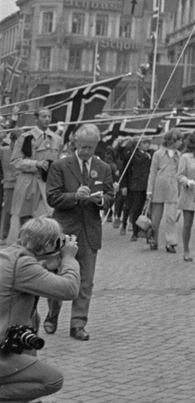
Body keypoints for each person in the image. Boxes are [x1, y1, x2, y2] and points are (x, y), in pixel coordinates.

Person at [0, 217, 81, 401]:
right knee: (52, 380)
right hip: (3, 351)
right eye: (56, 242)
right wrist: (69, 258)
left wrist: (44, 264)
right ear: (46, 245)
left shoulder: (9, 255)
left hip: (13, 342)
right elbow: (70, 289)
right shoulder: (23, 266)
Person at [43, 124, 112, 341]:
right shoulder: (60, 166)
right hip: (64, 230)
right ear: (75, 143)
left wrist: (101, 199)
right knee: (57, 276)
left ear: (96, 146)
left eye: (90, 148)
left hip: (89, 230)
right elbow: (52, 197)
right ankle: (52, 315)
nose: (86, 152)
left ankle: (78, 323)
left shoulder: (104, 168)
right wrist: (74, 197)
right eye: (82, 147)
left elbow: (110, 195)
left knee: (86, 280)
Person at [12, 110, 61, 227]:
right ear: (36, 119)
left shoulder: (57, 139)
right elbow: (16, 161)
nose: (47, 119)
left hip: (47, 182)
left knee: (49, 215)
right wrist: (35, 164)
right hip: (28, 181)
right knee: (26, 217)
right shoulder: (25, 138)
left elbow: (58, 161)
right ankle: (26, 242)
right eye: (44, 116)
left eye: (49, 116)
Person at [146, 129, 183, 252]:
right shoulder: (158, 154)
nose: (181, 143)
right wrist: (149, 190)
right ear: (172, 141)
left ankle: (171, 242)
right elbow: (153, 172)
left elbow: (180, 173)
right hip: (159, 187)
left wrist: (180, 191)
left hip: (172, 187)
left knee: (171, 216)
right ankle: (153, 239)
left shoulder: (179, 155)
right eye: (179, 140)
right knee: (156, 216)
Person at [117, 139, 151, 240]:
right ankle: (135, 232)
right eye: (145, 143)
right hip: (136, 185)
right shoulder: (132, 155)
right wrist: (124, 185)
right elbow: (125, 169)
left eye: (148, 143)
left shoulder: (149, 155)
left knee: (146, 209)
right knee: (135, 208)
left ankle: (143, 230)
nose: (147, 145)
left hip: (146, 185)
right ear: (139, 145)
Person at [178, 133, 195, 262]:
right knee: (187, 224)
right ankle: (186, 250)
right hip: (189, 192)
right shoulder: (185, 157)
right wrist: (187, 181)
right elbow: (180, 175)